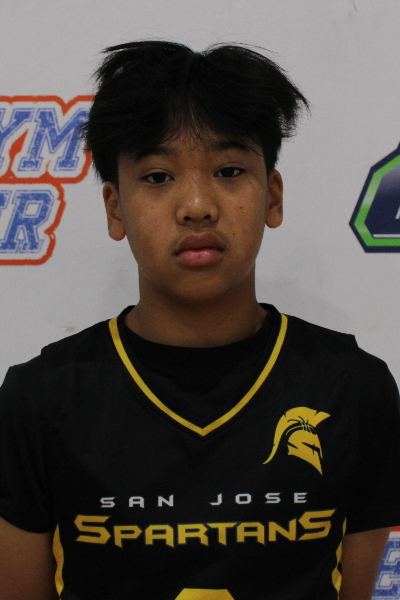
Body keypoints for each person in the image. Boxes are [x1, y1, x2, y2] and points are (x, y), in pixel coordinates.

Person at [0, 41, 399, 600]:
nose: (196, 205)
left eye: (229, 170)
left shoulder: (354, 389)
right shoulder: (41, 399)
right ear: (115, 208)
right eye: (158, 176)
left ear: (273, 197)